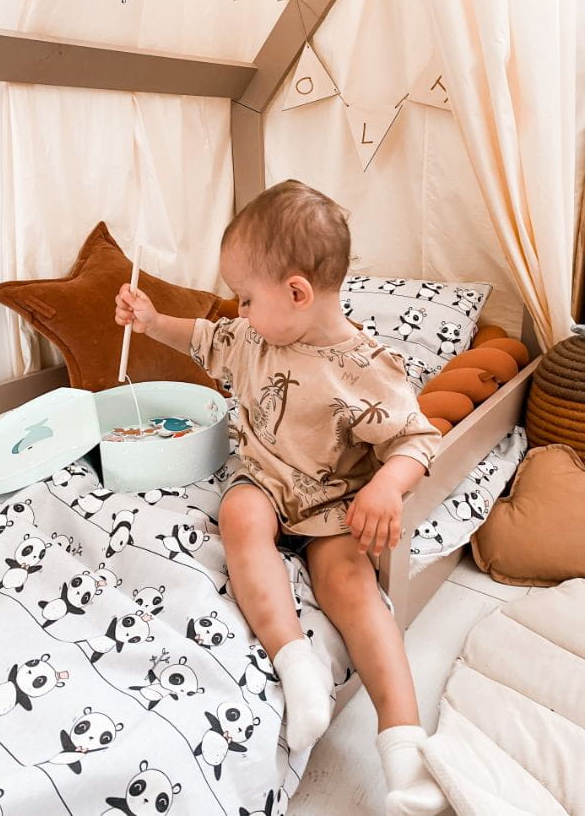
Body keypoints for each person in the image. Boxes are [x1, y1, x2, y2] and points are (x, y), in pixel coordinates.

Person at [115, 180, 447, 815]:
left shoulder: (366, 370)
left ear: (297, 292)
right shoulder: (252, 340)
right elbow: (202, 337)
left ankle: (405, 750)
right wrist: (151, 321)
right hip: (265, 483)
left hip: (332, 503)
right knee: (238, 515)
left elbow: (416, 439)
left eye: (245, 297)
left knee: (352, 585)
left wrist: (386, 485)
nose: (237, 311)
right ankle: (297, 665)